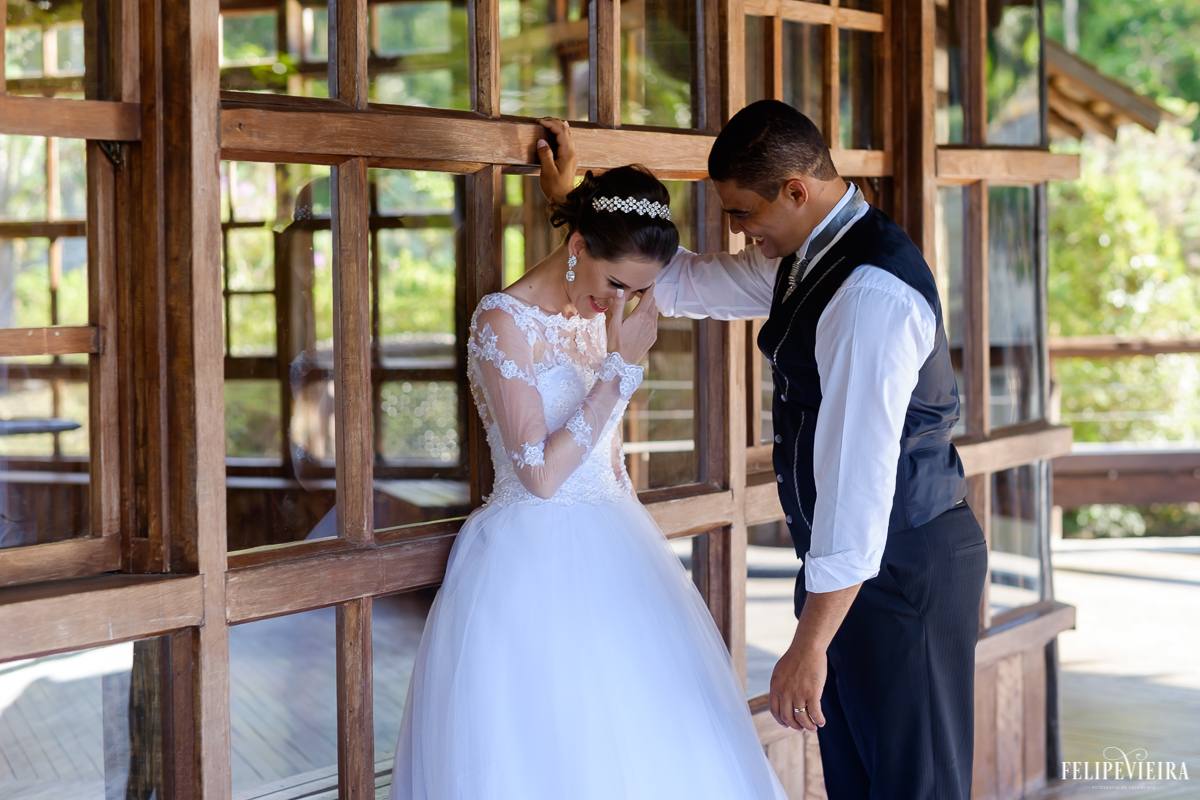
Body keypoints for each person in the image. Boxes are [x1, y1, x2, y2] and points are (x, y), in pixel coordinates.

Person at [538, 102, 989, 800]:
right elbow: (686, 279)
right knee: (860, 783)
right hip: (856, 570)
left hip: (905, 569)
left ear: (796, 191)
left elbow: (857, 485)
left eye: (744, 214)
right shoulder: (806, 257)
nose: (739, 231)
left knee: (914, 788)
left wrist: (810, 644)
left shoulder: (869, 293)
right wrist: (580, 204)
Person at [387, 164, 788, 800]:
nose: (620, 301)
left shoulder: (599, 315)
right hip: (528, 557)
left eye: (636, 290)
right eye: (615, 283)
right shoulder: (503, 325)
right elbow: (540, 475)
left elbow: (608, 456)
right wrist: (621, 369)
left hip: (616, 540)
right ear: (577, 247)